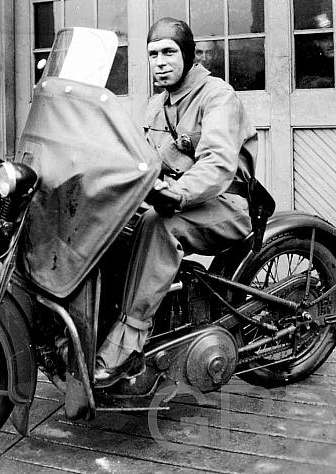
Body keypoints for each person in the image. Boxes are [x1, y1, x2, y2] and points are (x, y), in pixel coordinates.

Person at [94, 17, 257, 388]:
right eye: (153, 54)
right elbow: (140, 159)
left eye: (169, 52)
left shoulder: (218, 96)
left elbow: (217, 164)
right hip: (177, 200)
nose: (161, 62)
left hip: (227, 205)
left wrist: (176, 193)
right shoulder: (156, 105)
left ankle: (129, 339)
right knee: (112, 221)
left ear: (188, 54)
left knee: (158, 225)